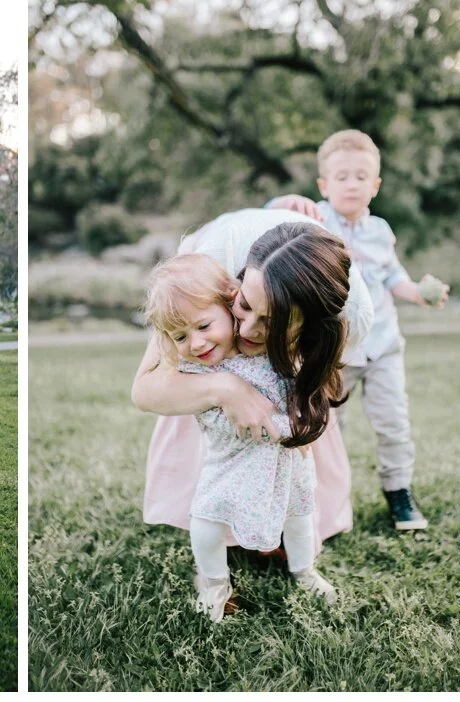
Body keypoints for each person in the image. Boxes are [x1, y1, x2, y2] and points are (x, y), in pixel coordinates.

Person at [132, 207, 374, 547]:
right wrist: (225, 387)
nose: (246, 330)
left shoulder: (353, 317)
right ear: (235, 284)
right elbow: (145, 390)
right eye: (244, 304)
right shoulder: (206, 271)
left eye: (270, 322)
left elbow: (313, 382)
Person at [266, 129, 451, 531]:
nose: (352, 184)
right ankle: (325, 499)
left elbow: (393, 276)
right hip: (335, 351)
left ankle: (399, 493)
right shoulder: (310, 221)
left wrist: (418, 292)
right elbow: (269, 223)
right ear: (324, 185)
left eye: (361, 176)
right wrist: (282, 202)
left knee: (393, 421)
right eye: (342, 177)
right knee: (330, 427)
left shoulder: (380, 231)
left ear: (375, 185)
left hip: (383, 345)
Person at [143, 253, 336, 622]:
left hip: (286, 465)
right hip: (229, 466)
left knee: (299, 520)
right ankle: (215, 582)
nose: (195, 343)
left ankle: (304, 571)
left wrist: (296, 423)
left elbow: (299, 394)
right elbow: (226, 420)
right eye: (180, 336)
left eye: (203, 326)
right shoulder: (195, 372)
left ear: (230, 304)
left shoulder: (270, 350)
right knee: (206, 525)